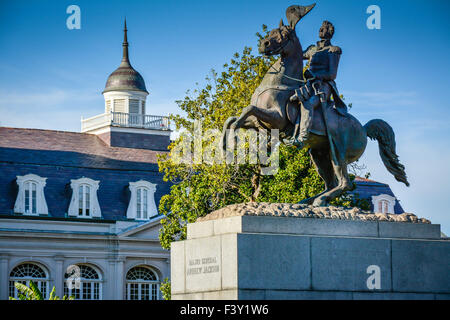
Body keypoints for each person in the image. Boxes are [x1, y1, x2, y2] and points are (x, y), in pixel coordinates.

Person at [285, 20, 348, 148]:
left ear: (329, 33)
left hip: (323, 86)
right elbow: (296, 55)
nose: (320, 30)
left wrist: (315, 76)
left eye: (324, 28)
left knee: (307, 103)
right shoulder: (312, 49)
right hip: (308, 84)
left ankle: (302, 138)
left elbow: (332, 74)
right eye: (320, 28)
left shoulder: (333, 50)